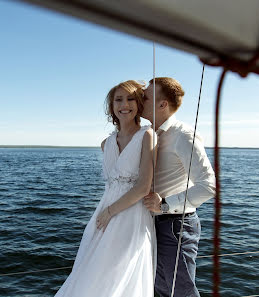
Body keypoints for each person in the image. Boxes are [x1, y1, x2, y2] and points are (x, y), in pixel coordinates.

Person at [54, 80, 157, 297]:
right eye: (118, 100)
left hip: (131, 214)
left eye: (130, 99)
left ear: (139, 103)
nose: (124, 105)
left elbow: (142, 187)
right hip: (103, 213)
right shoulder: (106, 143)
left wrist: (110, 212)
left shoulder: (147, 136)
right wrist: (106, 212)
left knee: (118, 274)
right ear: (111, 106)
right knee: (90, 273)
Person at [142, 77, 215, 297]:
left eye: (145, 97)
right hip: (151, 224)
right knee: (159, 290)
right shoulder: (149, 134)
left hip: (175, 226)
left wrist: (164, 204)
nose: (139, 100)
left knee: (180, 292)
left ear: (162, 104)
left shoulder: (182, 135)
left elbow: (208, 185)